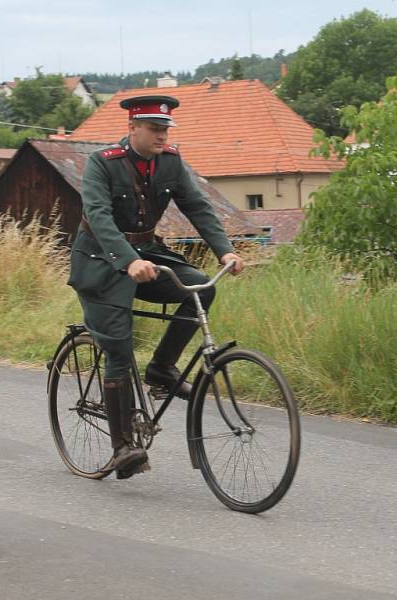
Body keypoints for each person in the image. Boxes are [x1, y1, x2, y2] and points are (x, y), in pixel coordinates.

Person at [68, 95, 245, 478]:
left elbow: (197, 206)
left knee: (200, 288)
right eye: (154, 128)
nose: (162, 135)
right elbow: (97, 215)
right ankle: (122, 447)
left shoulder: (170, 162)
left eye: (166, 129)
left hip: (146, 254)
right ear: (133, 128)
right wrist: (127, 259)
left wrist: (225, 252)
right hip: (100, 260)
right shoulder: (103, 163)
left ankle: (162, 369)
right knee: (118, 344)